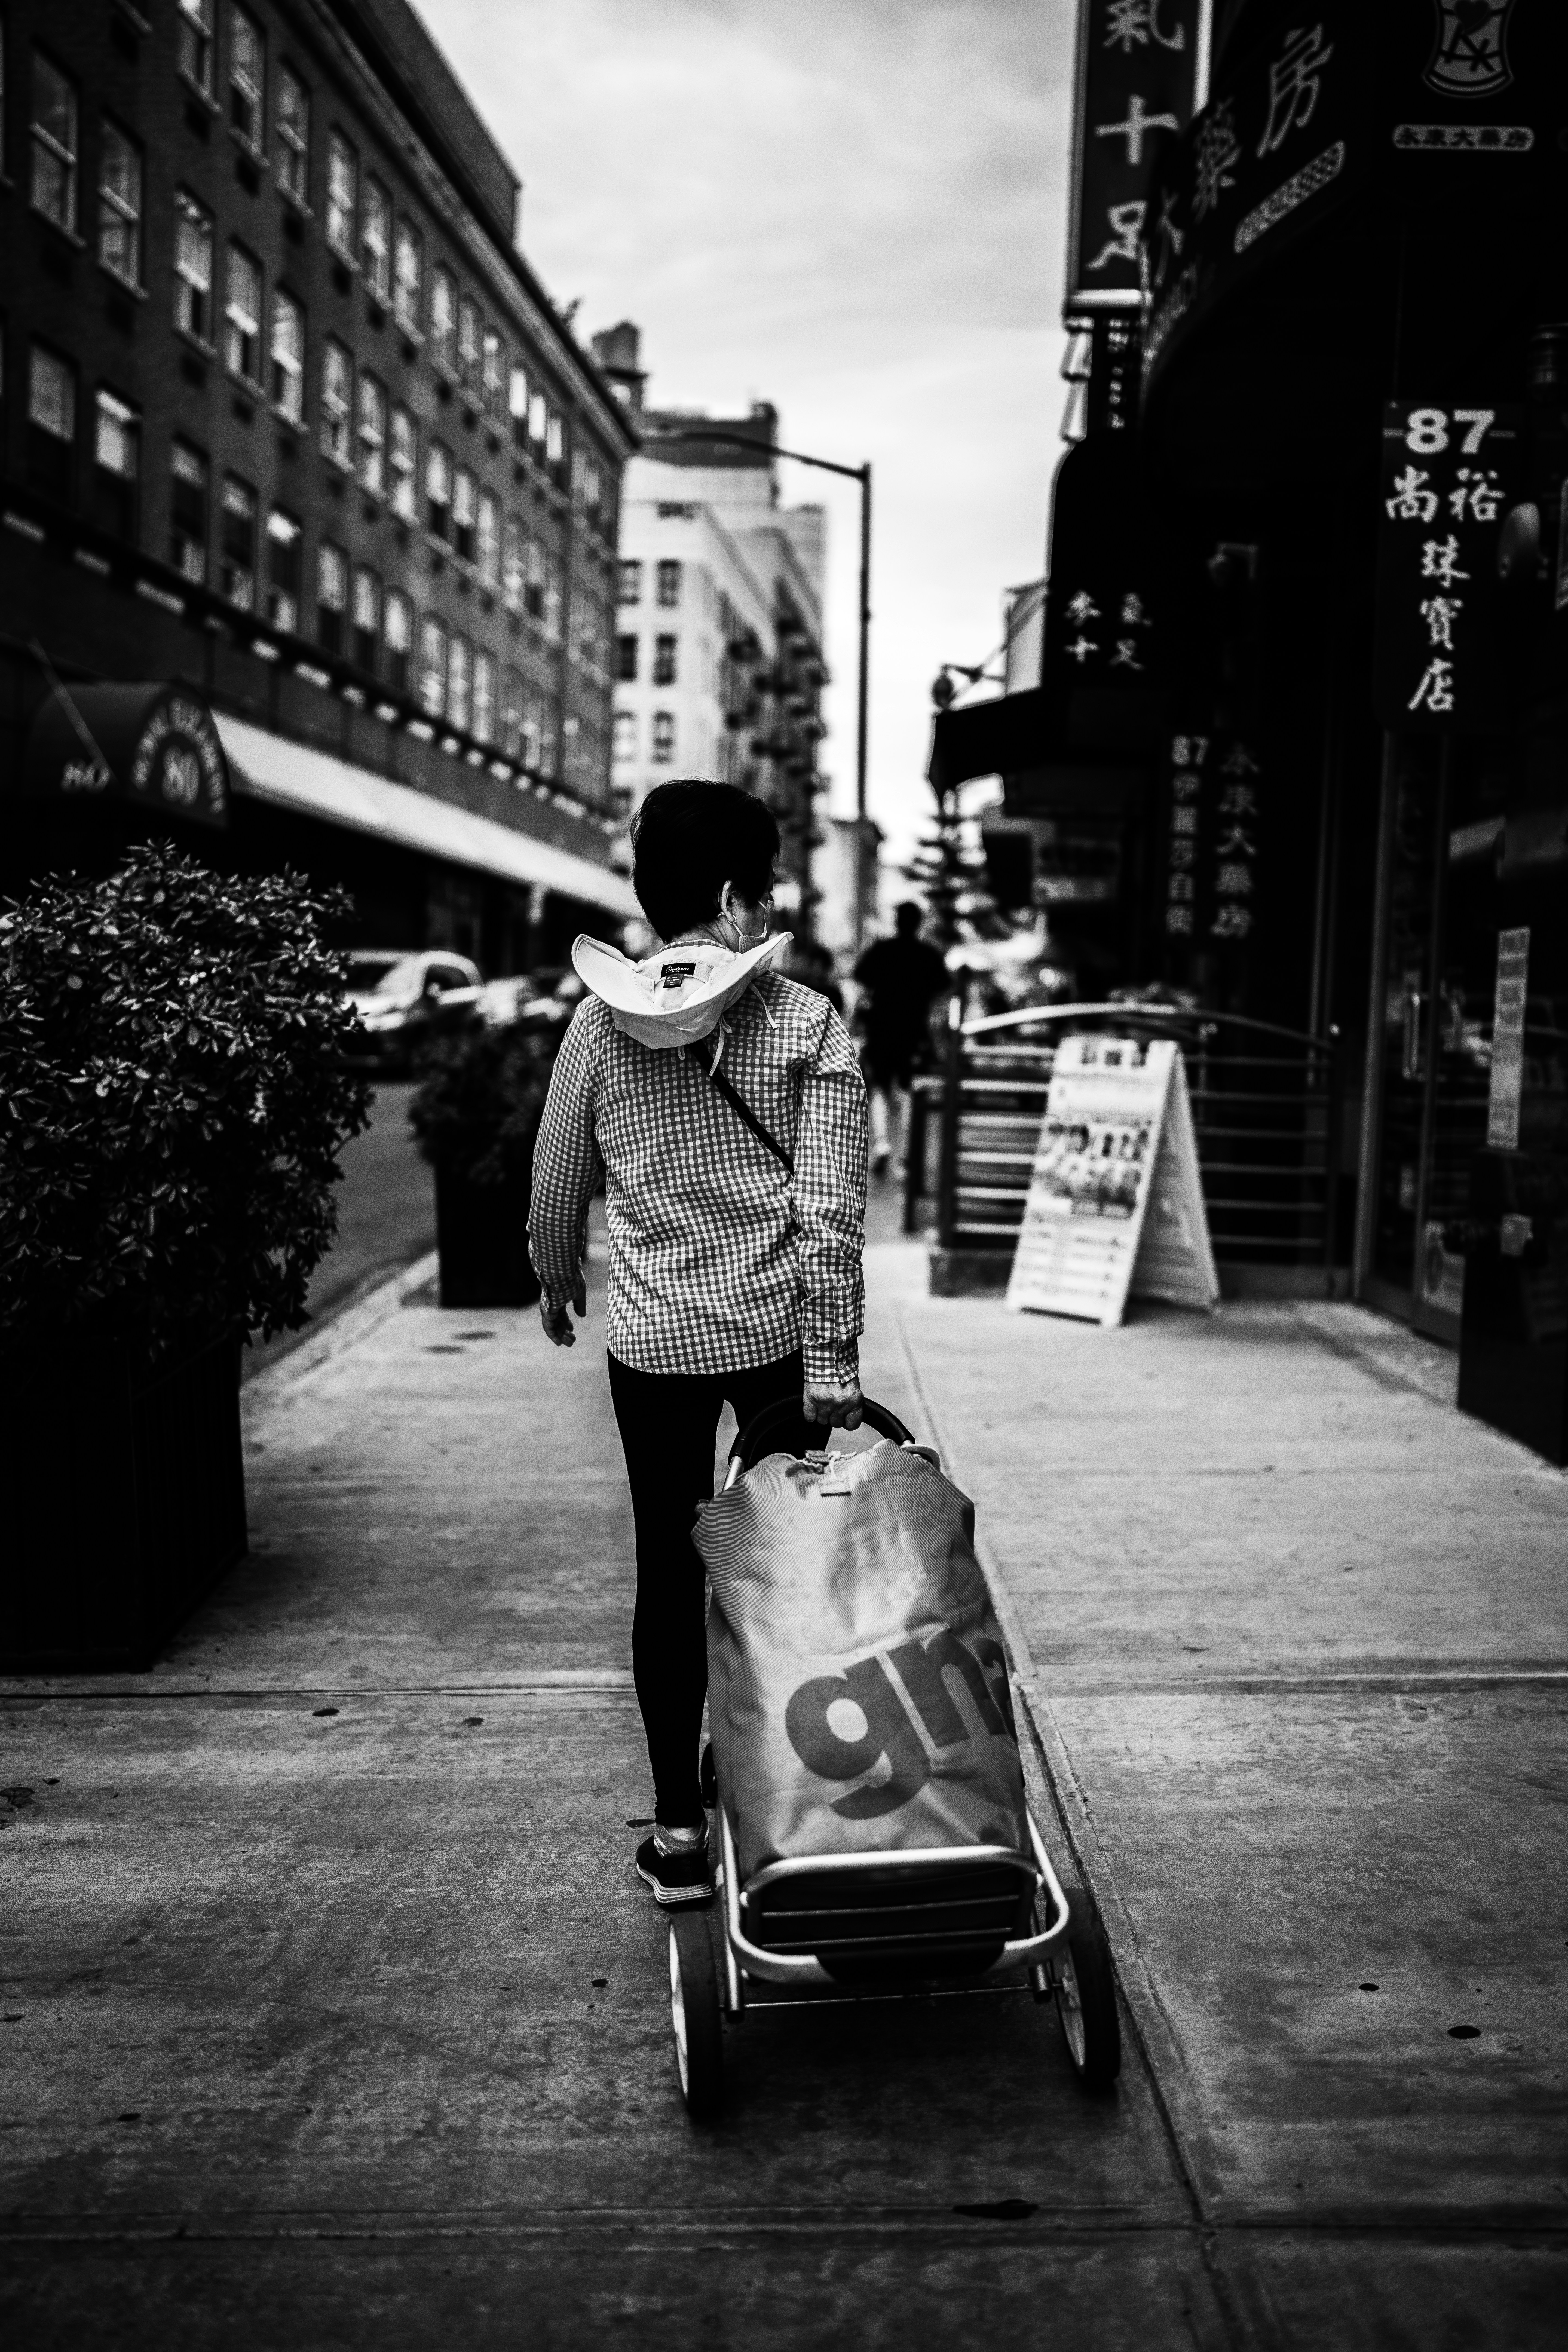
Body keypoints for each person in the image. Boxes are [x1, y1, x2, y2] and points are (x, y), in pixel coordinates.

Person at [528, 780, 868, 1907]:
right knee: (786, 1568)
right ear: (732, 898)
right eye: (761, 892)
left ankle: (678, 1835)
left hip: (656, 1345)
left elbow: (556, 1176)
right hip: (779, 1341)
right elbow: (830, 1211)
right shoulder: (806, 1021)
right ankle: (793, 1803)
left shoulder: (596, 1021)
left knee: (668, 1577)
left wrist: (553, 1273)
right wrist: (832, 1364)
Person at [852, 901, 950, 1178]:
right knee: (908, 1091)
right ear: (919, 923)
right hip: (914, 1032)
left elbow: (861, 980)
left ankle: (882, 1142)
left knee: (880, 1088)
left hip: (881, 1029)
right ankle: (907, 1155)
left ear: (897, 921)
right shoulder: (928, 955)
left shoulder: (881, 950)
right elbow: (943, 989)